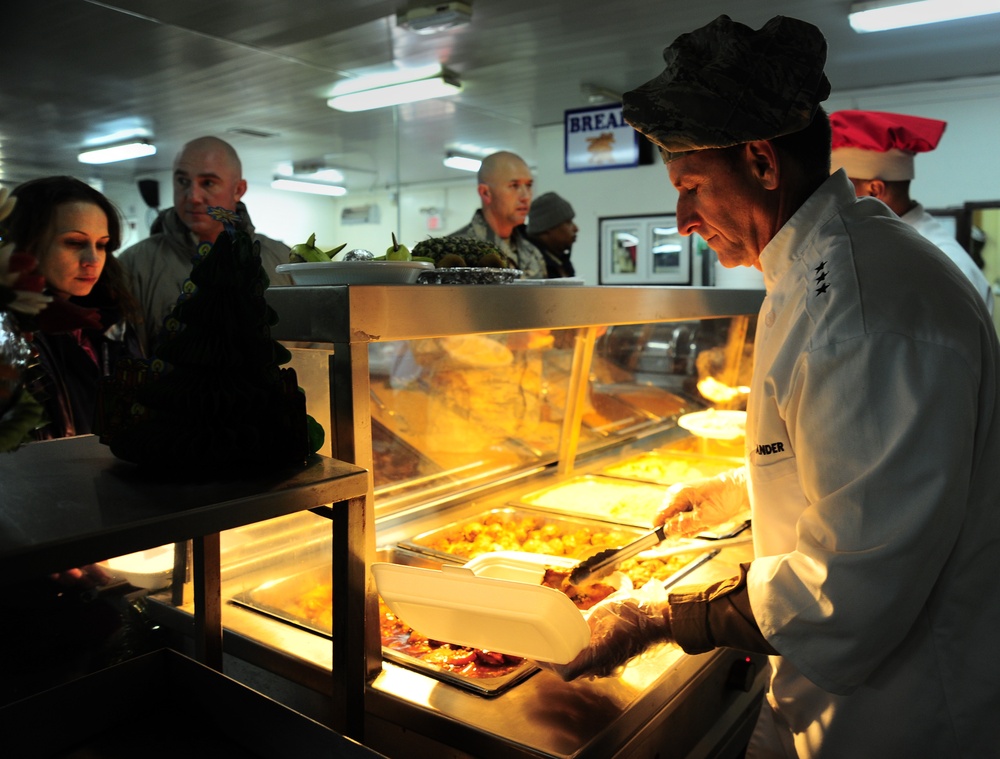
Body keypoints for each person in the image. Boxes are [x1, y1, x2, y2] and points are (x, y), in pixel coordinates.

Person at [550, 15, 1000, 758]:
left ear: (762, 162)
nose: (683, 219)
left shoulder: (863, 306)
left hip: (907, 715)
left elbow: (847, 590)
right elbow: (843, 452)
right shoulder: (820, 266)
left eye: (691, 186)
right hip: (839, 696)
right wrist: (740, 487)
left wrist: (661, 616)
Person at [117, 135, 293, 353]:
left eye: (208, 183)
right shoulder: (134, 265)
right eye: (183, 181)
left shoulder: (281, 262)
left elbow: (309, 353)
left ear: (238, 190)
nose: (193, 196)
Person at [4, 176, 143, 441]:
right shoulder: (13, 330)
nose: (92, 260)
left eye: (102, 245)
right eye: (74, 243)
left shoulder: (110, 321)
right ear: (26, 243)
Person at [830, 109, 994, 314]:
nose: (834, 200)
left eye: (841, 190)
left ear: (875, 190)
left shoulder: (945, 261)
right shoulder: (876, 243)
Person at [448, 150, 547, 278]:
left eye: (528, 186)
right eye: (514, 186)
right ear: (485, 193)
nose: (525, 196)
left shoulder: (532, 254)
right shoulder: (454, 251)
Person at [526, 191, 578, 278]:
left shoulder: (560, 260)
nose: (576, 228)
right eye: (568, 222)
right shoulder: (528, 265)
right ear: (547, 227)